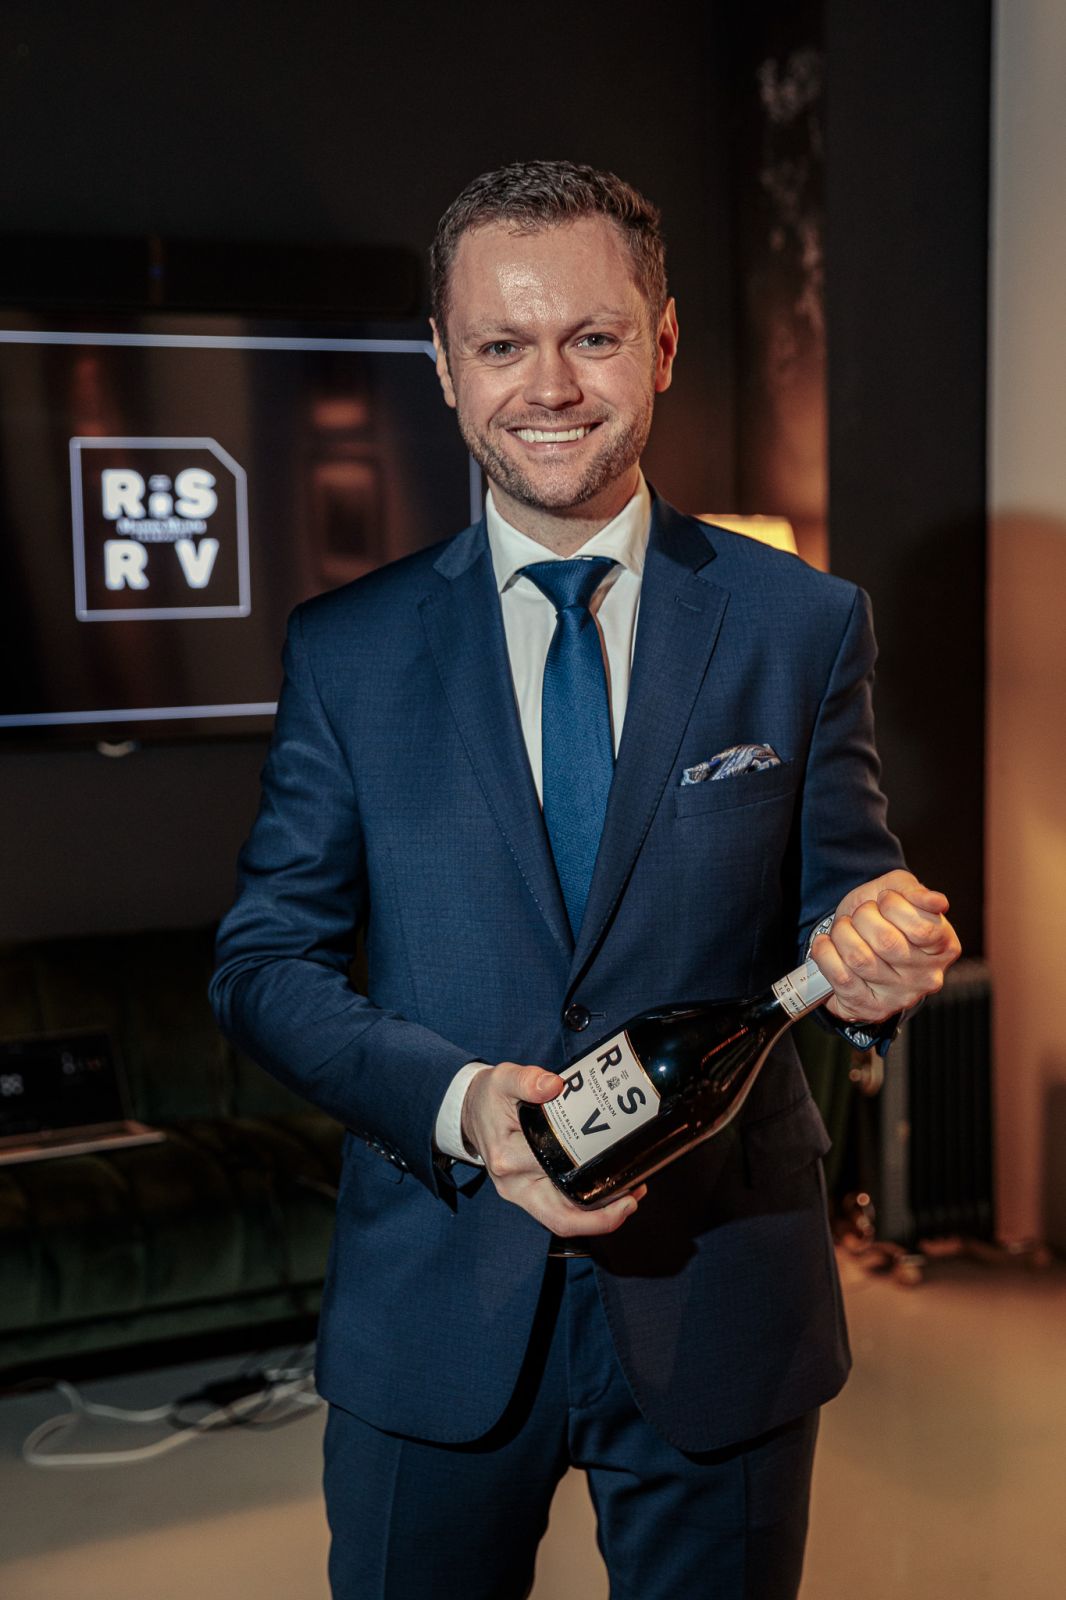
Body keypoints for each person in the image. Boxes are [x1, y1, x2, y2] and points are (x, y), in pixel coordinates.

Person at [210, 160, 960, 1599]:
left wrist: (876, 959)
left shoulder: (800, 624)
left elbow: (844, 901)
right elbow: (261, 968)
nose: (548, 386)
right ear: (445, 365)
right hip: (435, 1295)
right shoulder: (347, 650)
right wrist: (463, 1104)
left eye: (593, 337)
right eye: (501, 343)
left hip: (722, 1288)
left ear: (661, 344)